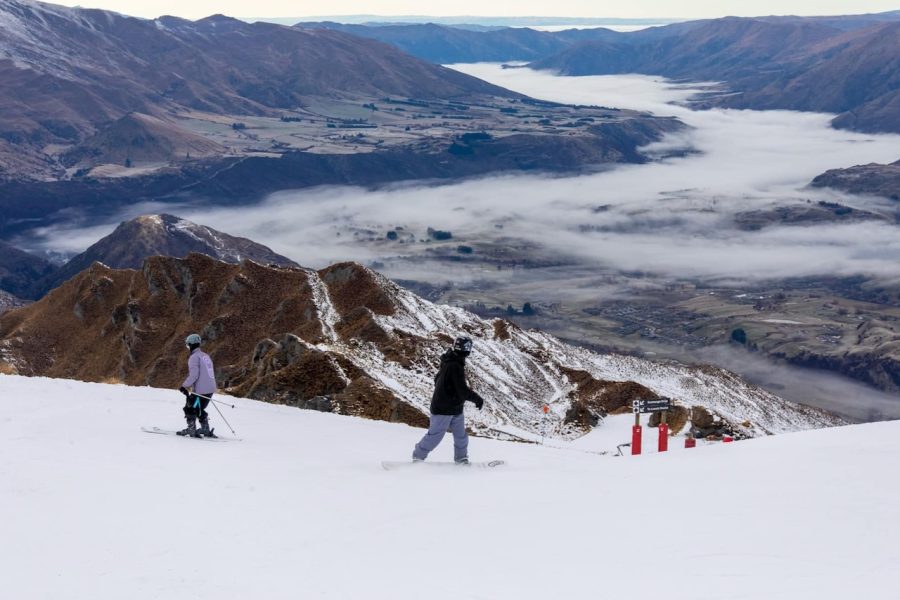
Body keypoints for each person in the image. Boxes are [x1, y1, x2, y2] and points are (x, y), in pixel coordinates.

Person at [412, 336, 484, 464]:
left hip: (455, 407)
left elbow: (437, 379)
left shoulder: (450, 360)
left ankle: (461, 459)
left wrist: (448, 393)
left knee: (461, 436)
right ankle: (418, 456)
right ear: (466, 349)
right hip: (443, 409)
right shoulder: (454, 365)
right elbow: (462, 390)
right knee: (435, 436)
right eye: (468, 348)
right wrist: (477, 399)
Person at [177, 333, 217, 438]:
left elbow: (194, 375)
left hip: (201, 390)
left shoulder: (194, 357)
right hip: (210, 388)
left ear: (191, 344)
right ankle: (205, 428)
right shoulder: (205, 356)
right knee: (199, 408)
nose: (187, 347)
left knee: (189, 408)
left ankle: (191, 429)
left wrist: (184, 386)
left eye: (187, 345)